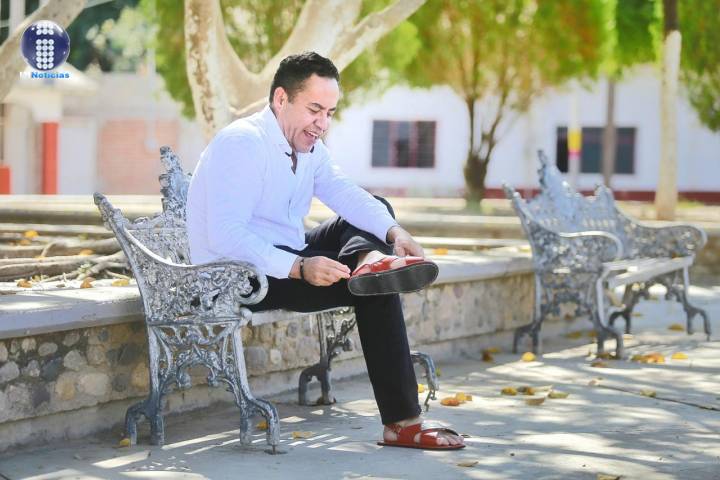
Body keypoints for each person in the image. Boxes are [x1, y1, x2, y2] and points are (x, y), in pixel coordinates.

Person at [186, 51, 464, 450]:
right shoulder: (242, 143)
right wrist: (299, 266)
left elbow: (344, 192)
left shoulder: (308, 149)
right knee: (376, 289)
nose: (323, 123)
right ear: (281, 99)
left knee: (374, 213)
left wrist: (395, 231)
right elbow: (225, 235)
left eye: (330, 112)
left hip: (287, 257)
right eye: (314, 109)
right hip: (237, 276)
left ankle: (371, 262)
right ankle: (403, 423)